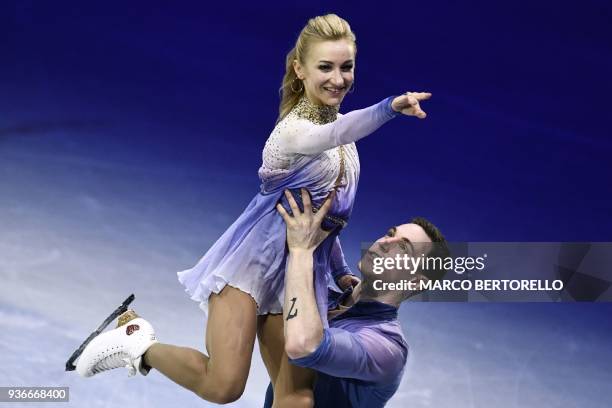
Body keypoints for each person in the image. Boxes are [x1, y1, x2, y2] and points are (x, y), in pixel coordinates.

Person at [75, 13, 432, 406]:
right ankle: (139, 343)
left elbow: (327, 224)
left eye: (346, 67)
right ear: (300, 69)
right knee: (224, 386)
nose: (338, 78)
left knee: (297, 399)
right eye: (325, 67)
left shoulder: (347, 144)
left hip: (300, 273)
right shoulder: (295, 132)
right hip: (254, 267)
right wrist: (390, 107)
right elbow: (336, 131)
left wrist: (341, 272)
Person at [262, 188, 448, 407]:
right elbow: (316, 228)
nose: (385, 242)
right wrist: (340, 270)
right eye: (390, 234)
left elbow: (304, 346)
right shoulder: (332, 298)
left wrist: (301, 252)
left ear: (416, 281)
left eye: (403, 248)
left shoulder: (387, 347)